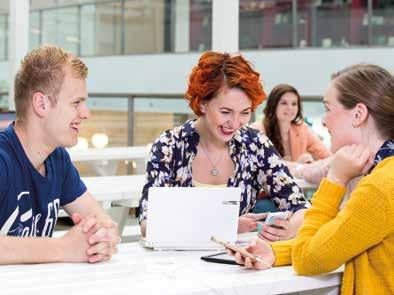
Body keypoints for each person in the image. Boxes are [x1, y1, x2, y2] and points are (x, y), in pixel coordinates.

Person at [228, 64, 394, 294]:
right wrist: (276, 252)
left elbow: (309, 258)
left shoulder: (379, 186)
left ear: (358, 114)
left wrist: (335, 179)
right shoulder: (382, 173)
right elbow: (339, 237)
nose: (323, 120)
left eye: (327, 108)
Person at [138, 52, 310, 241]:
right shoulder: (170, 146)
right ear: (203, 103)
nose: (235, 123)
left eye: (245, 113)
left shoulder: (255, 145)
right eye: (226, 112)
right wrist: (226, 225)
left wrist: (291, 228)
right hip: (173, 263)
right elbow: (149, 224)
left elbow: (301, 207)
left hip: (233, 263)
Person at [0, 45, 121, 265]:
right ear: (41, 104)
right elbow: (64, 249)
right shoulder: (2, 160)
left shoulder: (58, 158)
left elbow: (98, 219)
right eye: (76, 102)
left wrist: (103, 236)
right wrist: (62, 248)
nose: (86, 114)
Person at [250, 84, 331, 163]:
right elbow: (259, 166)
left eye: (294, 104)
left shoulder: (302, 129)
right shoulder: (257, 130)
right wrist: (298, 165)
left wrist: (312, 164)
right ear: (273, 105)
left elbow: (326, 156)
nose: (290, 108)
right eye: (284, 103)